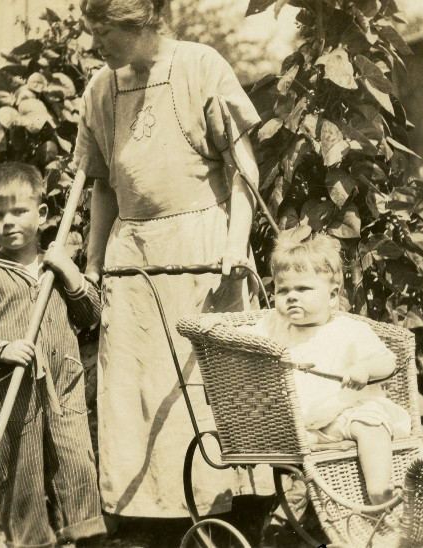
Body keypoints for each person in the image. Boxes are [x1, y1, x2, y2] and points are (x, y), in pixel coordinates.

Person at [74, 0, 269, 522]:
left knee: (205, 389)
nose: (98, 44)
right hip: (134, 262)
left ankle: (225, 511)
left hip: (201, 254)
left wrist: (234, 246)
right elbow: (103, 187)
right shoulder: (102, 90)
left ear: (138, 22)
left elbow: (243, 171)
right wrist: (93, 265)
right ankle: (151, 517)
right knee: (135, 393)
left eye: (106, 31)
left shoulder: (200, 67)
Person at [0, 162, 106, 547]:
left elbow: (92, 315)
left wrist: (72, 276)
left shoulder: (56, 266)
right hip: (10, 390)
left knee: (77, 463)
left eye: (18, 211)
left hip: (64, 383)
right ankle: (31, 541)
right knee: (20, 474)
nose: (8, 223)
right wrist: (2, 349)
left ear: (41, 214)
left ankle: (87, 537)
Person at [242, 233, 411, 505]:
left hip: (342, 416)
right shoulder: (273, 325)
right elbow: (239, 339)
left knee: (370, 423)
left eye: (303, 289)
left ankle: (380, 488)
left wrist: (364, 369)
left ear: (332, 296)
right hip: (301, 426)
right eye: (282, 290)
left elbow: (388, 360)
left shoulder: (349, 330)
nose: (291, 297)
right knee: (275, 432)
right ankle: (299, 499)